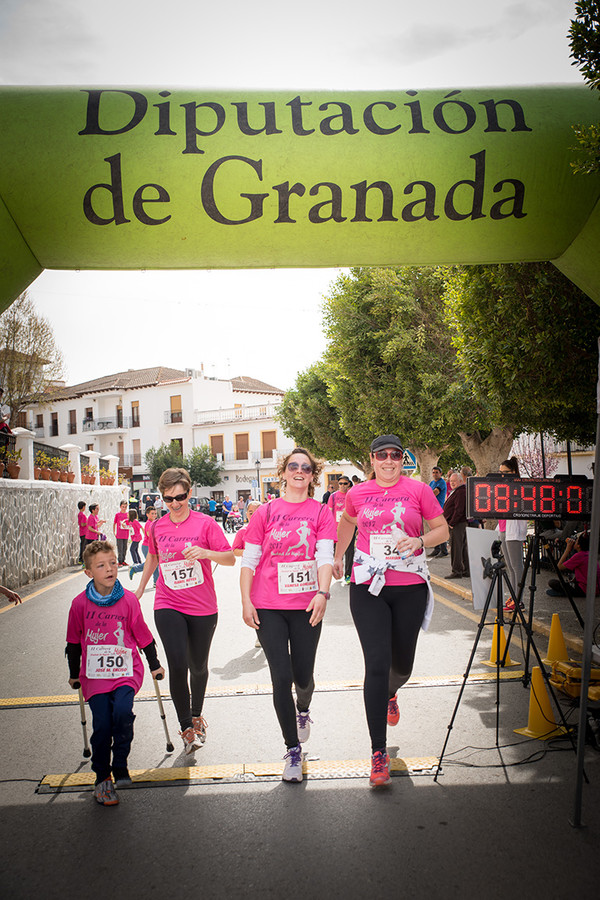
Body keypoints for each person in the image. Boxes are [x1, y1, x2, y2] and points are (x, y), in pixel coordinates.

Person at [333, 434, 448, 788]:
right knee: (377, 664)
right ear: (371, 459)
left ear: (403, 459)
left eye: (395, 455)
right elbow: (348, 523)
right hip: (368, 586)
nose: (388, 460)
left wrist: (420, 541)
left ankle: (391, 693)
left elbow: (442, 530)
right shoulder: (357, 493)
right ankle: (377, 753)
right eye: (381, 455)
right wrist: (338, 555)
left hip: (409, 587)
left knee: (403, 666)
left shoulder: (419, 490)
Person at [240, 448, 336, 783]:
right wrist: (245, 601)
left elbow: (325, 555)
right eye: (293, 466)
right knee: (281, 678)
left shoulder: (321, 513)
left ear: (312, 475)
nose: (299, 471)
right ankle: (292, 751)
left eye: (305, 467)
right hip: (268, 605)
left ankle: (304, 709)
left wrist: (323, 593)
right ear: (283, 473)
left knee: (303, 678)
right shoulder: (265, 512)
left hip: (307, 605)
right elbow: (249, 561)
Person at [134, 468, 235, 754]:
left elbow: (228, 558)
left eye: (180, 497)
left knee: (198, 666)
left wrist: (205, 553)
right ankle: (186, 728)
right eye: (168, 499)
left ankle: (197, 714)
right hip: (168, 602)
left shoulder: (206, 524)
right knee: (177, 664)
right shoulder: (157, 526)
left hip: (202, 606)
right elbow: (153, 555)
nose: (175, 503)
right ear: (162, 498)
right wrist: (141, 588)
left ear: (189, 493)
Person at [65, 540, 164, 806]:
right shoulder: (79, 605)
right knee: (103, 724)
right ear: (89, 573)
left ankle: (120, 762)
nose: (109, 569)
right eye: (101, 566)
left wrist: (154, 664)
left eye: (112, 563)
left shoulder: (129, 600)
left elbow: (143, 635)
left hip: (125, 671)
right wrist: (74, 673)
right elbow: (73, 642)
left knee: (121, 714)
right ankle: (102, 777)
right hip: (95, 676)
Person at [497, 458, 528, 610]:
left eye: (506, 473)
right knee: (509, 566)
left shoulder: (518, 487)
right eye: (500, 473)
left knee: (517, 566)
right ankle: (514, 596)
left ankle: (519, 600)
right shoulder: (501, 486)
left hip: (514, 530)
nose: (503, 476)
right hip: (503, 529)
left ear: (514, 472)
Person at [232, 499, 262, 648]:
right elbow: (235, 551)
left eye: (257, 511)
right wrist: (250, 552)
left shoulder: (271, 530)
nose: (254, 515)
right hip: (251, 575)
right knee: (254, 604)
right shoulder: (243, 531)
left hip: (268, 576)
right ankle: (260, 635)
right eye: (251, 512)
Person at [547, 531, 600, 598]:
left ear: (578, 545)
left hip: (584, 590)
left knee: (552, 582)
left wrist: (567, 549)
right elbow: (584, 571)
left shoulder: (579, 556)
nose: (574, 542)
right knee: (569, 580)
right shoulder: (590, 554)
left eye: (576, 541)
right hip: (596, 589)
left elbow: (559, 567)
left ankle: (564, 592)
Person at [443, 472, 470, 579]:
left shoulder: (460, 492)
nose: (452, 483)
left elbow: (459, 509)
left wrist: (452, 523)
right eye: (451, 481)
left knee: (456, 548)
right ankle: (465, 570)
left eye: (454, 481)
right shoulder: (458, 491)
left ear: (460, 481)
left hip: (457, 524)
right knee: (462, 547)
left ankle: (457, 571)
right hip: (458, 523)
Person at [327, 476, 354, 584]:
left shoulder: (351, 496)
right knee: (336, 553)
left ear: (348, 484)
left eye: (345, 483)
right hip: (336, 529)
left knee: (349, 552)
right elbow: (329, 512)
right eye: (340, 483)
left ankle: (348, 575)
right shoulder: (333, 496)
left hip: (349, 527)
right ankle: (336, 571)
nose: (342, 485)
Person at [129, 505, 159, 587]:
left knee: (154, 564)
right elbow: (149, 535)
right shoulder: (149, 524)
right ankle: (134, 569)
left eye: (155, 514)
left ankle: (156, 582)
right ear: (147, 514)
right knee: (151, 564)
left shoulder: (153, 523)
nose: (154, 515)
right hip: (147, 547)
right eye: (152, 513)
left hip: (150, 547)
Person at [427, 466, 448, 558]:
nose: (435, 474)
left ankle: (444, 550)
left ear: (441, 473)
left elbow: (435, 492)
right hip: (432, 509)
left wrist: (427, 495)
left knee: (439, 530)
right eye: (433, 472)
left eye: (437, 472)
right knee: (434, 530)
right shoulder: (432, 482)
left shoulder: (442, 482)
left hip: (439, 509)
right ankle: (437, 549)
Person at [113, 500, 130, 566]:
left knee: (125, 548)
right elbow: (114, 523)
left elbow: (130, 524)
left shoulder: (128, 515)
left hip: (126, 534)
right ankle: (120, 561)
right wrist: (114, 532)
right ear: (120, 507)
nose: (124, 508)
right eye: (123, 506)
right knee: (120, 548)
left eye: (125, 507)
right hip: (119, 534)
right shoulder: (117, 515)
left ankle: (123, 560)